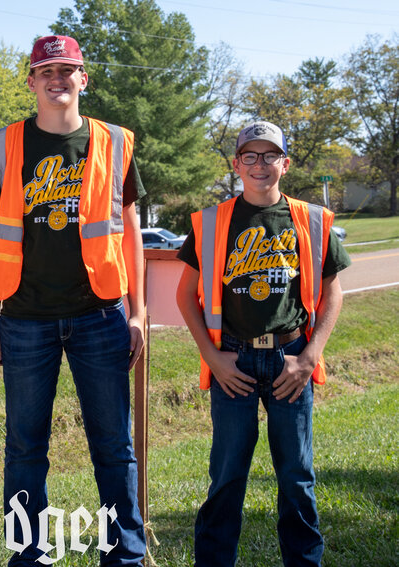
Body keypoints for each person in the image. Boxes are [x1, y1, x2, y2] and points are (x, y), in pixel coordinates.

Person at [0, 35, 147, 566]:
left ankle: (125, 555)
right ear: (30, 82)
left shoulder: (115, 141)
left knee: (114, 448)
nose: (56, 79)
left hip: (100, 314)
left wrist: (139, 313)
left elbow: (131, 232)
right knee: (25, 448)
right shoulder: (2, 146)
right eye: (45, 71)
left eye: (66, 69)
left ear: (83, 79)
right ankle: (28, 556)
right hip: (24, 318)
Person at [176, 121, 351, 567]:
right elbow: (185, 295)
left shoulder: (311, 220)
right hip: (233, 361)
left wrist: (309, 357)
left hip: (291, 361)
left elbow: (333, 292)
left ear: (285, 164)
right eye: (250, 156)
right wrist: (213, 358)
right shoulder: (212, 222)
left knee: (296, 477)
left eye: (269, 155)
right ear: (236, 164)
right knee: (227, 476)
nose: (260, 165)